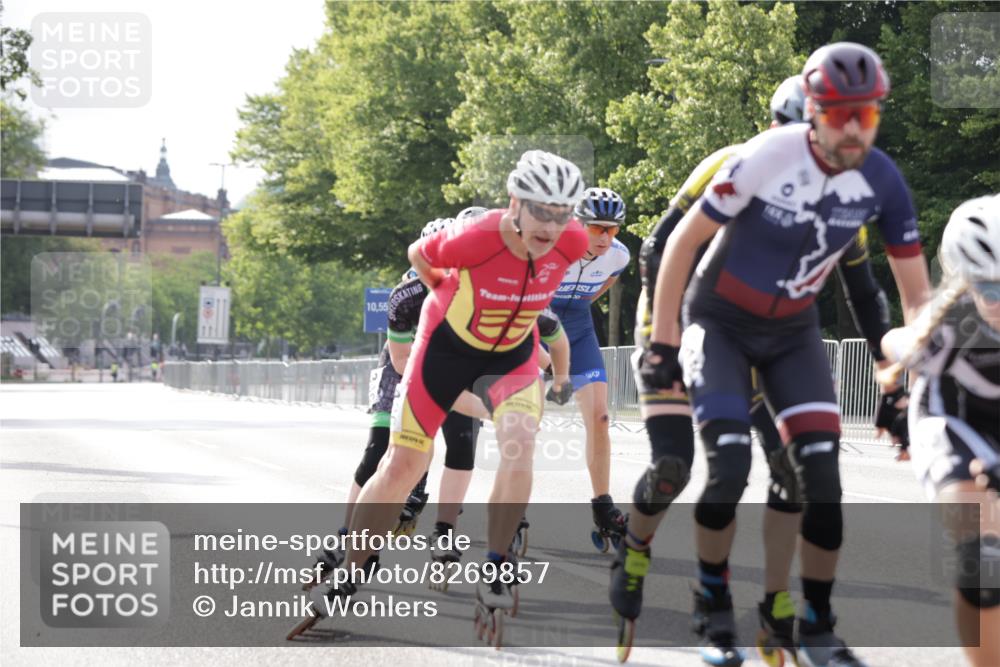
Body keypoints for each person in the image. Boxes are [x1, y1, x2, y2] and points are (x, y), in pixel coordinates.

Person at [641, 43, 931, 666]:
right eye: (840, 114)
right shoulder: (767, 155)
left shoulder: (881, 178)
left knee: (821, 482)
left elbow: (913, 302)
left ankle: (818, 625)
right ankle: (714, 608)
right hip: (718, 323)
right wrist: (663, 342)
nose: (854, 130)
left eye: (869, 114)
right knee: (727, 467)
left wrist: (902, 385)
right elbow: (681, 243)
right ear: (815, 112)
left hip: (792, 334)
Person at [301, 150, 587, 639]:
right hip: (444, 350)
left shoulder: (574, 239)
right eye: (540, 211)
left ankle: (496, 568)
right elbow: (419, 254)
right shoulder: (477, 236)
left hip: (512, 352)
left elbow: (561, 323)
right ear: (515, 202)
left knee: (521, 444)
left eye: (561, 215)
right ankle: (352, 564)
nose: (550, 226)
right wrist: (444, 293)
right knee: (401, 465)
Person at [881, 194, 1000, 667]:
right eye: (989, 292)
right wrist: (900, 365)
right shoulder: (950, 326)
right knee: (979, 554)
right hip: (952, 422)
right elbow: (894, 343)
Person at [551, 186, 631, 550]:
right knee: (524, 420)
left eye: (612, 229)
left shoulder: (618, 256)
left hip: (579, 327)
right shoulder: (551, 248)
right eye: (597, 228)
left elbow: (603, 286)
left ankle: (603, 505)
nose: (605, 237)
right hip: (539, 325)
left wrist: (577, 308)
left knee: (599, 419)